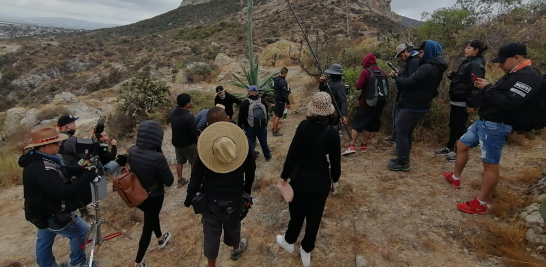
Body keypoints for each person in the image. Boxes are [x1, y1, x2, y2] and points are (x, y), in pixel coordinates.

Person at [443, 42, 543, 215]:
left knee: (490, 166)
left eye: (503, 61)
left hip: (497, 125)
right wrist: (486, 87)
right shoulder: (513, 73)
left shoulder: (529, 76)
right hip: (484, 120)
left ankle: (480, 203)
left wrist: (487, 88)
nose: (500, 65)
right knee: (461, 145)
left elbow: (511, 102)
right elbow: (501, 93)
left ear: (517, 58)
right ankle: (455, 177)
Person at [276, 92, 341, 267]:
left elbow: (292, 154)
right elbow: (335, 163)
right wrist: (335, 182)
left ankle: (289, 242)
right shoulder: (333, 134)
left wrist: (284, 176)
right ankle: (306, 250)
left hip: (301, 178)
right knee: (315, 217)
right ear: (329, 112)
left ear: (313, 109)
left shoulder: (303, 126)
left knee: (296, 213)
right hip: (321, 181)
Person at [20, 127, 97, 267]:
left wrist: (81, 169)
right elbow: (62, 192)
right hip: (50, 213)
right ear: (44, 146)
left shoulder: (41, 159)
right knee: (81, 231)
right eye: (56, 143)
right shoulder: (42, 168)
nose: (59, 145)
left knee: (44, 239)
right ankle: (79, 262)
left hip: (39, 212)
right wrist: (86, 178)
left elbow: (63, 170)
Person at [184, 121, 256, 267]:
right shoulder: (242, 141)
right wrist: (247, 190)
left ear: (209, 123)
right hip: (234, 197)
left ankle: (211, 265)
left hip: (210, 199)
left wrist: (189, 197)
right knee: (234, 225)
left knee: (211, 233)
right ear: (227, 119)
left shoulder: (206, 148)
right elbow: (251, 169)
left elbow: (196, 176)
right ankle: (236, 249)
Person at [388, 40, 448, 171]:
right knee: (406, 132)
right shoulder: (436, 67)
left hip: (412, 103)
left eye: (421, 52)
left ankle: (403, 161)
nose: (419, 54)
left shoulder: (427, 67)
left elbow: (410, 82)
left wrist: (398, 78)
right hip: (420, 103)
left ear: (429, 52)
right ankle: (403, 158)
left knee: (401, 132)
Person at [128, 120, 174, 267]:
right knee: (148, 227)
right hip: (154, 197)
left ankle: (161, 239)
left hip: (139, 195)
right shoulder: (157, 158)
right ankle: (138, 262)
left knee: (152, 218)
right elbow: (169, 181)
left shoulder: (132, 150)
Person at [436, 40, 487, 161]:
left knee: (460, 127)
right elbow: (463, 80)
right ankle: (450, 147)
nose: (465, 49)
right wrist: (453, 76)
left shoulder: (476, 65)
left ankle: (459, 151)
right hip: (457, 100)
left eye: (469, 48)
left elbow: (476, 85)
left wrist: (472, 103)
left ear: (476, 50)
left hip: (464, 101)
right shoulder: (468, 62)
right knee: (454, 125)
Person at [342, 53, 388, 156]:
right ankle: (364, 146)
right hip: (379, 103)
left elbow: (358, 86)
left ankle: (351, 145)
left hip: (366, 103)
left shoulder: (366, 72)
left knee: (356, 124)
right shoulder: (383, 72)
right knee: (370, 126)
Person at [386, 43, 420, 148]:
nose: (401, 58)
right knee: (400, 126)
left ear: (406, 51)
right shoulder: (410, 61)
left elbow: (409, 81)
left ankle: (401, 152)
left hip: (407, 99)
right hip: (403, 97)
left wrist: (397, 77)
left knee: (402, 129)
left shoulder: (414, 62)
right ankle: (400, 149)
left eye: (401, 55)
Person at [170, 93, 199, 188]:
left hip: (177, 143)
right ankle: (194, 180)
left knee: (179, 161)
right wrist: (197, 143)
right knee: (194, 161)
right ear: (187, 104)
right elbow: (194, 133)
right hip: (188, 144)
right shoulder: (189, 117)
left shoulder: (173, 112)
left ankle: (180, 180)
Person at [238, 85, 272, 161]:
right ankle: (268, 156)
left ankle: (251, 159)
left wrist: (240, 126)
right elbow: (266, 114)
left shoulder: (245, 103)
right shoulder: (263, 101)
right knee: (264, 143)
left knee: (251, 144)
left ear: (249, 93)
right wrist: (265, 124)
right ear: (257, 92)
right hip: (262, 126)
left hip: (250, 128)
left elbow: (241, 117)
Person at [272, 67, 291, 136]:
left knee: (275, 114)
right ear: (285, 73)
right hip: (280, 101)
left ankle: (273, 127)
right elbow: (284, 93)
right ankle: (275, 131)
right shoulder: (283, 82)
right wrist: (287, 102)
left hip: (276, 99)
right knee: (278, 116)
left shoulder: (275, 79)